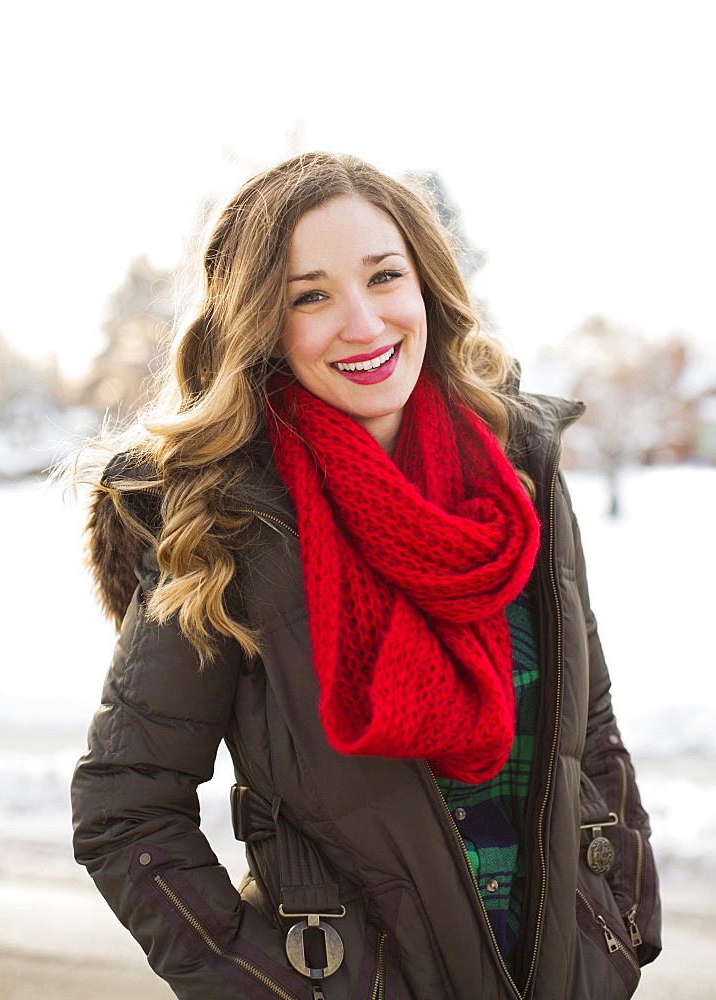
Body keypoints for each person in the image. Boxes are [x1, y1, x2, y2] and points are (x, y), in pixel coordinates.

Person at [71, 152, 661, 1000]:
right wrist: (271, 987)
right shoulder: (227, 517)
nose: (362, 323)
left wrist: (618, 922)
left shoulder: (516, 472)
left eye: (383, 277)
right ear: (260, 325)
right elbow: (124, 805)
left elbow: (588, 723)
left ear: (425, 284)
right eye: (308, 295)